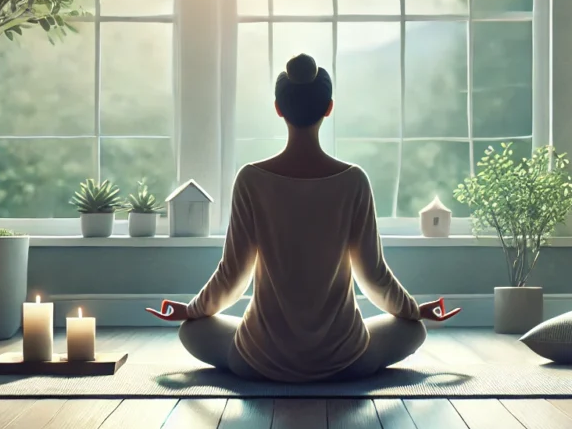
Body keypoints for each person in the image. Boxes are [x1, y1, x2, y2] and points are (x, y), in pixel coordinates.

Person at [147, 53, 460, 382]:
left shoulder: (251, 179)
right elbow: (373, 276)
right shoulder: (353, 180)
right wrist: (413, 311)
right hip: (345, 359)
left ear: (279, 108)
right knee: (414, 331)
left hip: (260, 358)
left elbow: (233, 276)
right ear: (329, 108)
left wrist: (194, 310)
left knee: (191, 331)